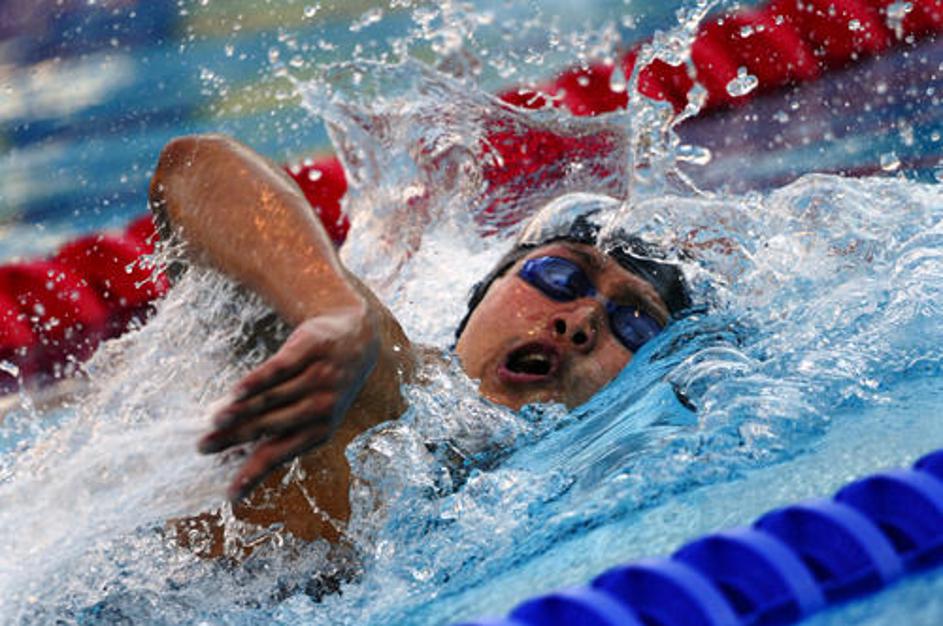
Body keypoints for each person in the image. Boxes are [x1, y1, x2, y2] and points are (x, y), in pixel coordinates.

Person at [149, 133, 689, 555]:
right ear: (483, 295)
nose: (582, 321)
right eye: (558, 277)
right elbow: (196, 168)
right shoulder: (388, 388)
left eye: (634, 323)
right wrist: (332, 309)